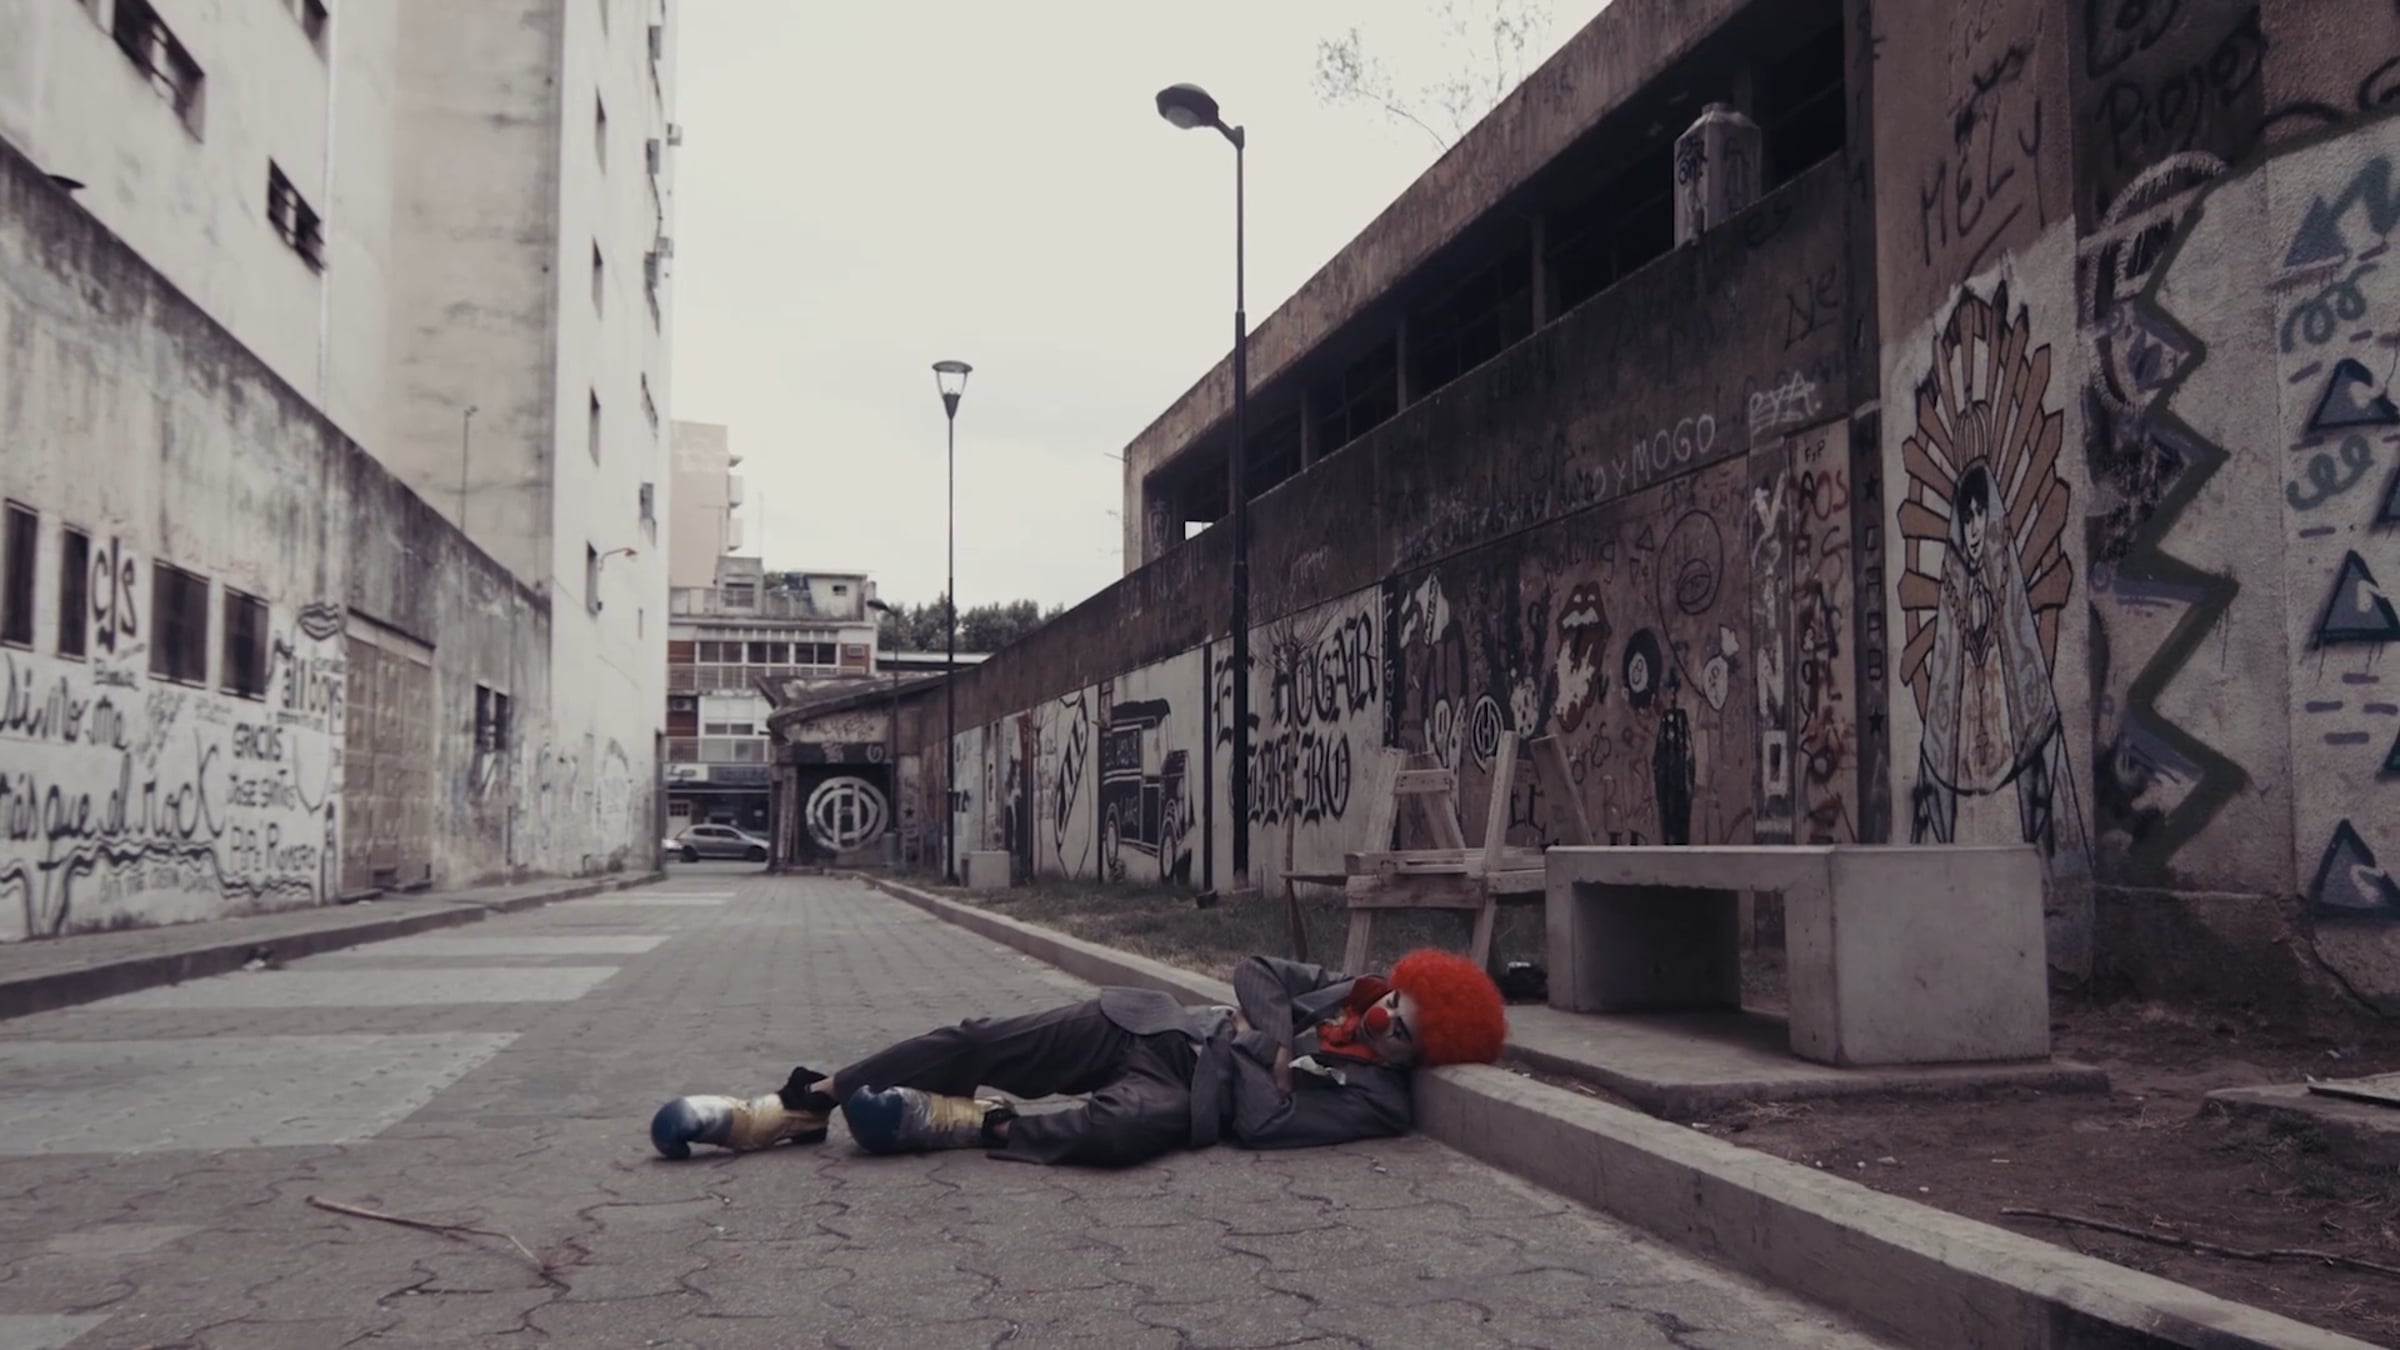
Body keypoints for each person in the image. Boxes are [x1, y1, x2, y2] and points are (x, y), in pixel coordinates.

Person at [649, 947, 1508, 1168]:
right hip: (1146, 1022)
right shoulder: (1345, 991)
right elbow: (1255, 971)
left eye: (1403, 1029)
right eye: (1394, 1002)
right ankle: (801, 1105)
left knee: (1115, 1136)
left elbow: (1266, 1125)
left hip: (1184, 1091)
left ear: (1421, 1056)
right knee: (977, 1038)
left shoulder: (1376, 1103)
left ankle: (957, 1123)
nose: (1383, 1019)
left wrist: (1247, 1052)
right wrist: (1278, 1043)